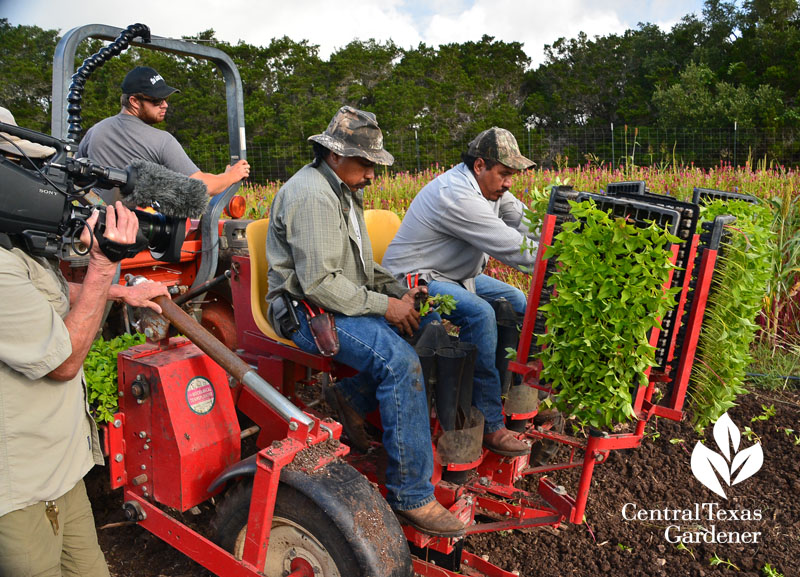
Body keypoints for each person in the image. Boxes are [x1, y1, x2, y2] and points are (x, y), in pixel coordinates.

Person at [265, 106, 465, 538]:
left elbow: (359, 265)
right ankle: (412, 494)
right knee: (399, 361)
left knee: (427, 328)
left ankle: (351, 397)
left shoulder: (342, 189)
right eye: (367, 163)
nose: (373, 174)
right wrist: (384, 307)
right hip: (304, 312)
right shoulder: (312, 196)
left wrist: (397, 292)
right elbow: (318, 284)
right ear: (335, 155)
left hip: (335, 298)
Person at [0, 110, 170, 577]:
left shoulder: (13, 245)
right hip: (18, 487)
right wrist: (102, 266)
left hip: (59, 469)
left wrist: (122, 291)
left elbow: (47, 296)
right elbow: (64, 362)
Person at [382, 127, 538, 457]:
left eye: (511, 175)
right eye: (504, 174)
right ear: (480, 165)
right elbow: (511, 246)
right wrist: (561, 261)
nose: (509, 182)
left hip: (455, 275)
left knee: (517, 301)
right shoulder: (457, 195)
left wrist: (569, 239)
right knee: (481, 315)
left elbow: (527, 223)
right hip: (416, 277)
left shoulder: (491, 190)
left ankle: (512, 395)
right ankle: (491, 424)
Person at [77, 66, 250, 202]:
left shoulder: (95, 131)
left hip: (94, 228)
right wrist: (231, 176)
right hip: (139, 233)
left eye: (166, 99)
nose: (165, 105)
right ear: (134, 102)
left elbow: (76, 177)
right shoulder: (161, 141)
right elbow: (201, 186)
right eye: (157, 100)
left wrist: (98, 206)